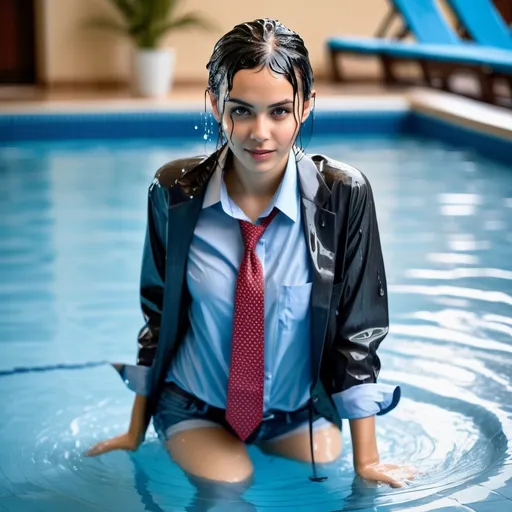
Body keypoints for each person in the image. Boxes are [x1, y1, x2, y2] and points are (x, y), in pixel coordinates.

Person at [85, 17, 414, 507]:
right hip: (196, 404)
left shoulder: (343, 196)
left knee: (324, 481)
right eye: (242, 110)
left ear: (305, 107)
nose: (261, 133)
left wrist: (367, 460)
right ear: (217, 105)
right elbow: (157, 315)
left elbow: (357, 331)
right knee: (226, 487)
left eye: (280, 111)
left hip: (298, 411)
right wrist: (134, 432)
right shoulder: (174, 194)